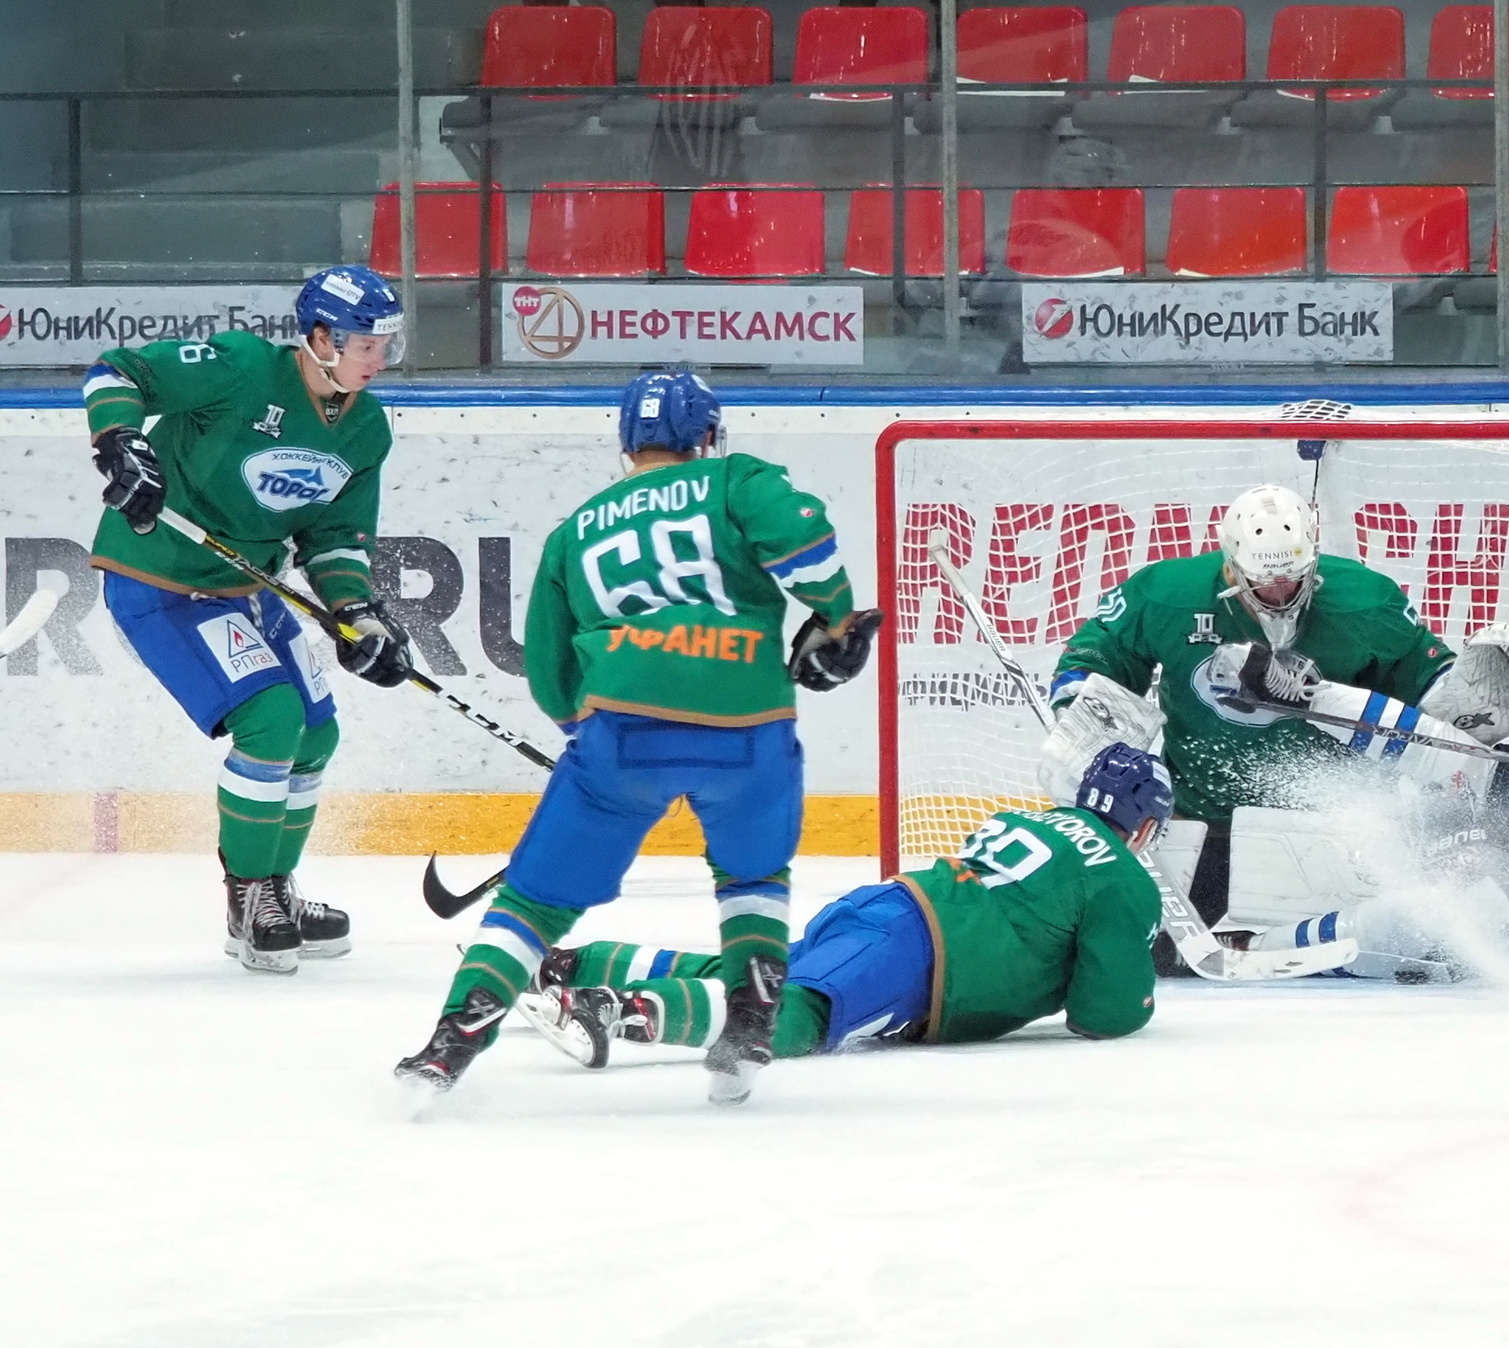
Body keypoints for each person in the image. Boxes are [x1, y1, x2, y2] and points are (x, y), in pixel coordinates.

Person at [392, 369, 882, 1107]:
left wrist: (587, 739)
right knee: (753, 876)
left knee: (533, 903)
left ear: (627, 446)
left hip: (619, 733)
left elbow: (552, 674)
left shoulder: (574, 533)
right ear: (706, 436)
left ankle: (446, 1049)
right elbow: (804, 537)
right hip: (747, 727)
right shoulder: (733, 480)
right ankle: (748, 1030)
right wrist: (837, 618)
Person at [1048, 482, 1509, 975]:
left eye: (1294, 577)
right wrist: (1092, 736)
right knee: (1163, 960)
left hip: (1334, 832)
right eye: (1265, 582)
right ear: (1231, 568)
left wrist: (1483, 699)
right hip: (1200, 819)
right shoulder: (1164, 593)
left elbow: (1433, 704)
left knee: (1389, 948)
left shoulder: (1366, 600)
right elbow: (1092, 660)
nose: (1282, 593)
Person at [82, 264, 414, 975]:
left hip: (248, 586)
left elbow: (336, 538)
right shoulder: (238, 367)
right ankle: (249, 897)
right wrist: (121, 441)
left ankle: (278, 892)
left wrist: (355, 613)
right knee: (271, 718)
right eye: (367, 344)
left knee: (317, 730)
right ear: (320, 337)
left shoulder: (366, 428)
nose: (380, 359)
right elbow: (118, 371)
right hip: (163, 581)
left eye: (388, 344)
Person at [518, 743, 1172, 1066]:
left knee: (745, 981)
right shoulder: (1124, 880)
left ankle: (574, 965)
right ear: (1144, 827)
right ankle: (617, 1011)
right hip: (922, 953)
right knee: (794, 1018)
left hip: (888, 905)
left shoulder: (1036, 820)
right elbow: (1103, 1014)